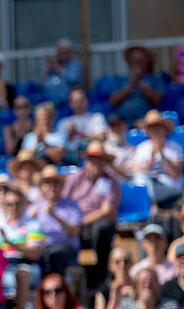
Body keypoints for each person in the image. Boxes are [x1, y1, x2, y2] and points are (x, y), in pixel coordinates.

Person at [62, 141, 121, 290]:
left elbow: (106, 211)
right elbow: (62, 202)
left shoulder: (111, 181)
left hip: (96, 224)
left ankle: (100, 279)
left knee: (102, 229)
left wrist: (81, 222)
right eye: (91, 159)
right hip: (75, 223)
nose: (95, 163)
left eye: (99, 159)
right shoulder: (74, 179)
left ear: (105, 163)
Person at [25, 165, 81, 276]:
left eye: (55, 183)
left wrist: (55, 216)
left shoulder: (71, 205)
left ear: (61, 186)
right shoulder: (35, 207)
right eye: (47, 183)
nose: (52, 187)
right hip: (41, 248)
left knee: (55, 254)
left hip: (64, 248)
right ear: (41, 187)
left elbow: (75, 231)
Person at [129, 110, 183, 209]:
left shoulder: (175, 147)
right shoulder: (142, 148)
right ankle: (152, 206)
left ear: (164, 129)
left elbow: (175, 174)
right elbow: (137, 171)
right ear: (148, 131)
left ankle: (151, 206)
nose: (155, 131)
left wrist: (162, 154)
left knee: (145, 191)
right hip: (148, 183)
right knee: (141, 181)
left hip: (169, 184)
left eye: (158, 128)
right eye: (152, 128)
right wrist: (152, 156)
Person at [110, 44, 166, 124]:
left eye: (140, 61)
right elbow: (113, 101)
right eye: (134, 61)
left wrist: (140, 84)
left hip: (147, 121)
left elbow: (157, 100)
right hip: (123, 121)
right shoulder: (120, 80)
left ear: (147, 62)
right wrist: (131, 85)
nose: (137, 64)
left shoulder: (156, 79)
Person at [55, 87, 107, 155]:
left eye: (82, 100)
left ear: (87, 101)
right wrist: (69, 136)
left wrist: (79, 134)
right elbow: (57, 146)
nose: (79, 104)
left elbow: (102, 138)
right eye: (76, 101)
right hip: (69, 157)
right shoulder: (63, 122)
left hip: (91, 156)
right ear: (70, 104)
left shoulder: (97, 117)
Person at [42, 38, 83, 102]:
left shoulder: (75, 64)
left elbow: (73, 79)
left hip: (67, 99)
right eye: (62, 53)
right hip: (49, 98)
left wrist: (57, 67)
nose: (65, 56)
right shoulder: (51, 65)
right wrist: (47, 71)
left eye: (67, 53)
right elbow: (41, 83)